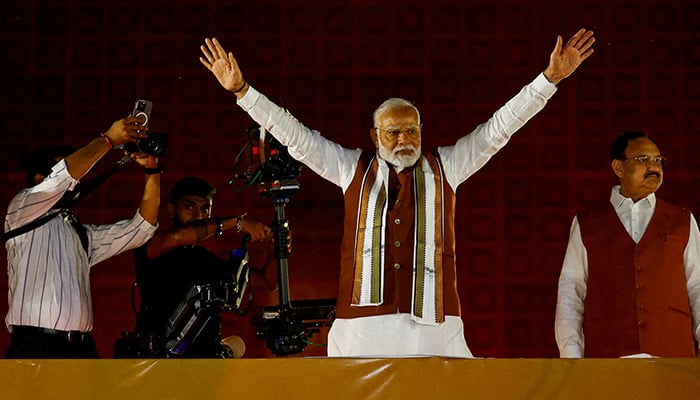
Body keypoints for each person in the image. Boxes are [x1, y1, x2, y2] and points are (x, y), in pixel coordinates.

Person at [199, 29, 595, 357]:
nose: (405, 139)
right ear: (375, 136)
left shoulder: (448, 166)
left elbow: (498, 130)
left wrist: (549, 79)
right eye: (394, 131)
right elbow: (295, 137)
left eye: (412, 130)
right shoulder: (349, 167)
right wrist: (242, 91)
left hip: (436, 324)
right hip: (362, 326)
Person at [4, 116, 161, 358]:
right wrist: (107, 140)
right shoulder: (22, 207)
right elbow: (63, 178)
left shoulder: (78, 232)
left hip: (82, 349)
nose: (76, 182)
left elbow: (140, 230)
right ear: (38, 178)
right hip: (35, 347)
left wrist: (152, 171)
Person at [555, 131, 700, 358]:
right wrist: (571, 355)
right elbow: (571, 291)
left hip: (673, 355)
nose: (654, 167)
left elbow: (697, 286)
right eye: (643, 159)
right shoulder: (587, 223)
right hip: (609, 356)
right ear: (618, 168)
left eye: (658, 160)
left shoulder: (682, 220)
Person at [132, 176, 272, 358]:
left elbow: (266, 282)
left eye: (205, 209)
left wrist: (274, 247)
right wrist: (237, 223)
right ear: (171, 210)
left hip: (203, 366)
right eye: (189, 207)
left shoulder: (204, 259)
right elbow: (177, 237)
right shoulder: (153, 244)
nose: (198, 216)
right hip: (156, 363)